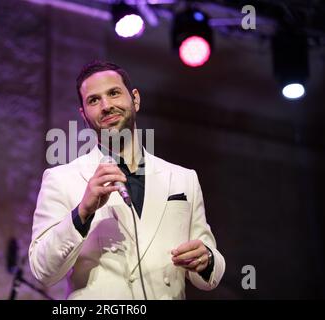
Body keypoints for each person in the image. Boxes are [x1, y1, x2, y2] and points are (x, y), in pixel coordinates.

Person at [29, 60, 225, 299]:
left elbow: (209, 267)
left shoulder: (183, 179)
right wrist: (82, 213)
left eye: (113, 93)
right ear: (84, 115)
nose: (106, 106)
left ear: (135, 99)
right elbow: (42, 271)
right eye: (94, 100)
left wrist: (207, 259)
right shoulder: (61, 179)